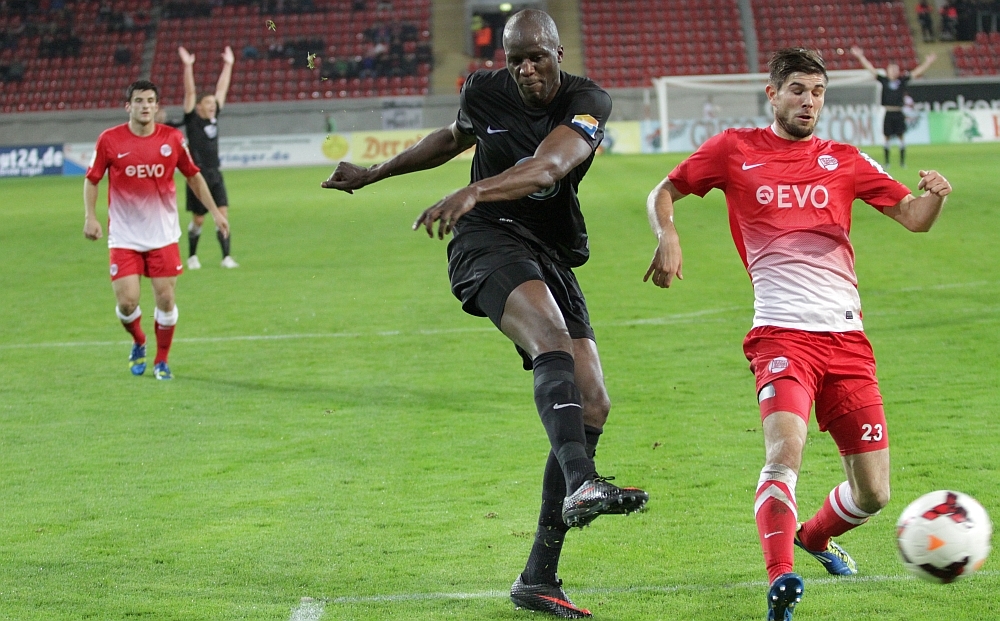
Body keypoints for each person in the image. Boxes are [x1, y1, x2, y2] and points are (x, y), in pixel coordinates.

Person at [321, 9, 647, 619]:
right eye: (515, 59)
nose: (526, 70)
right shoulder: (483, 90)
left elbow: (549, 166)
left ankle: (537, 578)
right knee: (548, 337)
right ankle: (582, 482)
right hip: (486, 241)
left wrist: (474, 187)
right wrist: (372, 173)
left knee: (593, 401)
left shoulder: (587, 101)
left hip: (549, 251)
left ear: (557, 53)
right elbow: (451, 138)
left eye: (536, 58)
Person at [644, 48, 951, 621]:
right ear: (773, 94)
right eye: (798, 91)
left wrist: (934, 195)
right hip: (781, 335)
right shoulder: (734, 149)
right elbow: (662, 190)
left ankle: (814, 537)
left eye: (817, 92)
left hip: (848, 341)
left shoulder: (844, 160)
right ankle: (781, 577)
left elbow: (913, 218)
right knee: (784, 453)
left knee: (874, 494)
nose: (809, 102)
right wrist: (668, 235)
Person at [84, 80, 229, 381]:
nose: (145, 106)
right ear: (128, 106)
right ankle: (139, 340)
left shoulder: (172, 139)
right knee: (127, 303)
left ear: (157, 106)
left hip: (163, 235)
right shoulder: (109, 140)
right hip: (124, 236)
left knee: (165, 300)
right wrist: (90, 217)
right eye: (139, 101)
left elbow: (193, 176)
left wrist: (215, 212)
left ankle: (161, 360)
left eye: (150, 100)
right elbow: (92, 179)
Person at [178, 45, 239, 270]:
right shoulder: (192, 120)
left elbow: (222, 89)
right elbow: (190, 93)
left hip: (215, 174)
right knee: (199, 219)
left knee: (223, 213)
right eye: (208, 103)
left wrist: (228, 65)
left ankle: (226, 257)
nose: (213, 105)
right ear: (199, 107)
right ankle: (192, 256)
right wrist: (188, 67)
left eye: (214, 103)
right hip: (197, 175)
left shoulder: (214, 117)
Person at [850, 46, 935, 170]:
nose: (894, 71)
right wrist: (860, 56)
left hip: (899, 112)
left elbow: (917, 72)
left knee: (901, 137)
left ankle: (902, 162)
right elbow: (870, 69)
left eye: (895, 69)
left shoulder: (902, 80)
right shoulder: (883, 80)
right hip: (888, 112)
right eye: (891, 69)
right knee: (887, 138)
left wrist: (928, 62)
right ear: (888, 71)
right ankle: (887, 162)